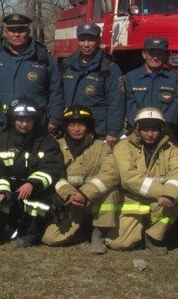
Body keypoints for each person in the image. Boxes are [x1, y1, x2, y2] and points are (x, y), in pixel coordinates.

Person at [107, 107, 178, 253]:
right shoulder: (123, 147)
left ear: (162, 129)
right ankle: (137, 232)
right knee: (119, 244)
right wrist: (163, 191)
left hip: (159, 203)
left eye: (155, 129)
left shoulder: (171, 149)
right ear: (137, 128)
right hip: (131, 201)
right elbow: (128, 178)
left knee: (176, 201)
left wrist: (170, 194)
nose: (150, 134)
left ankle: (153, 237)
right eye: (145, 129)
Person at [41, 104, 119, 254]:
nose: (76, 129)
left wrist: (85, 194)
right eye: (72, 124)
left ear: (89, 126)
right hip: (70, 200)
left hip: (92, 198)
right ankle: (81, 232)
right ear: (65, 127)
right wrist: (69, 193)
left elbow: (111, 174)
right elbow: (54, 173)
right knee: (50, 239)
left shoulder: (100, 147)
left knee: (111, 192)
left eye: (81, 124)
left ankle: (99, 234)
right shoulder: (56, 145)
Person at [0, 97, 64, 247]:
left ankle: (31, 234)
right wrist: (3, 190)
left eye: (28, 120)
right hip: (9, 190)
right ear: (12, 119)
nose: (24, 124)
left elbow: (51, 169)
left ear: (35, 121)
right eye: (19, 120)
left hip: (37, 191)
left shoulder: (47, 141)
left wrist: (31, 184)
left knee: (38, 204)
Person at [0, 13, 64, 132]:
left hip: (35, 123)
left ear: (28, 31)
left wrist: (55, 119)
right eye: (12, 30)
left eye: (21, 30)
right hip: (1, 123)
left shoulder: (43, 57)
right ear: (6, 32)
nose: (16, 34)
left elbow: (56, 90)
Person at [55, 23, 124, 146]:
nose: (86, 44)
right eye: (82, 40)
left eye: (91, 40)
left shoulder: (108, 67)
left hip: (97, 131)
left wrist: (113, 131)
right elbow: (57, 95)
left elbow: (116, 102)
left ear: (98, 40)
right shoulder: (68, 64)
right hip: (70, 128)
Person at [124, 37, 178, 133]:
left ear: (165, 56)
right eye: (151, 53)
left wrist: (163, 123)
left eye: (159, 53)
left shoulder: (175, 78)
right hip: (138, 129)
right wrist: (140, 124)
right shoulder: (131, 77)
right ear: (144, 54)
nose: (155, 57)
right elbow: (129, 102)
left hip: (165, 130)